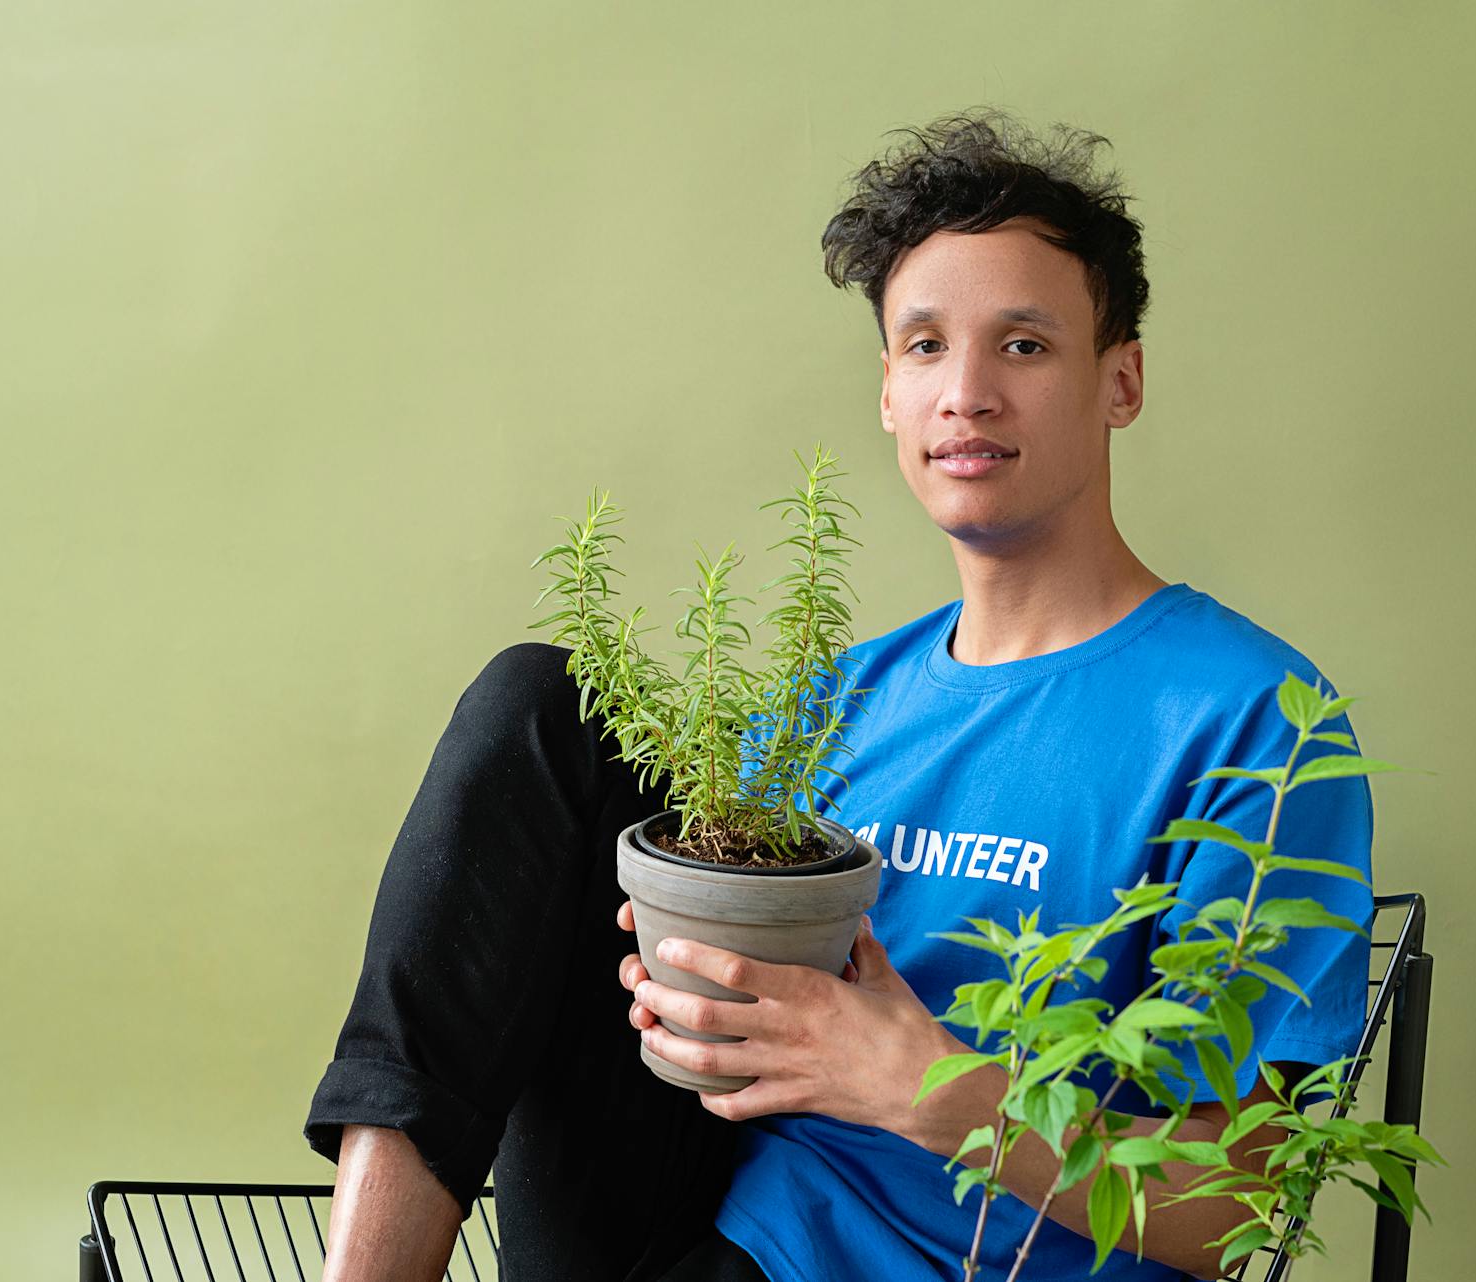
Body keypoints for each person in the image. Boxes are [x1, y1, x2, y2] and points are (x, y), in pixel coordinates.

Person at [304, 109, 1373, 1282]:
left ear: (1119, 381)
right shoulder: (835, 703)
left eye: (1023, 345)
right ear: (886, 393)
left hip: (972, 1259)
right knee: (541, 704)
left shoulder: (1253, 720)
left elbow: (1237, 1210)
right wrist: (674, 987)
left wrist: (925, 1085)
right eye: (924, 347)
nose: (965, 393)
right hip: (715, 1219)